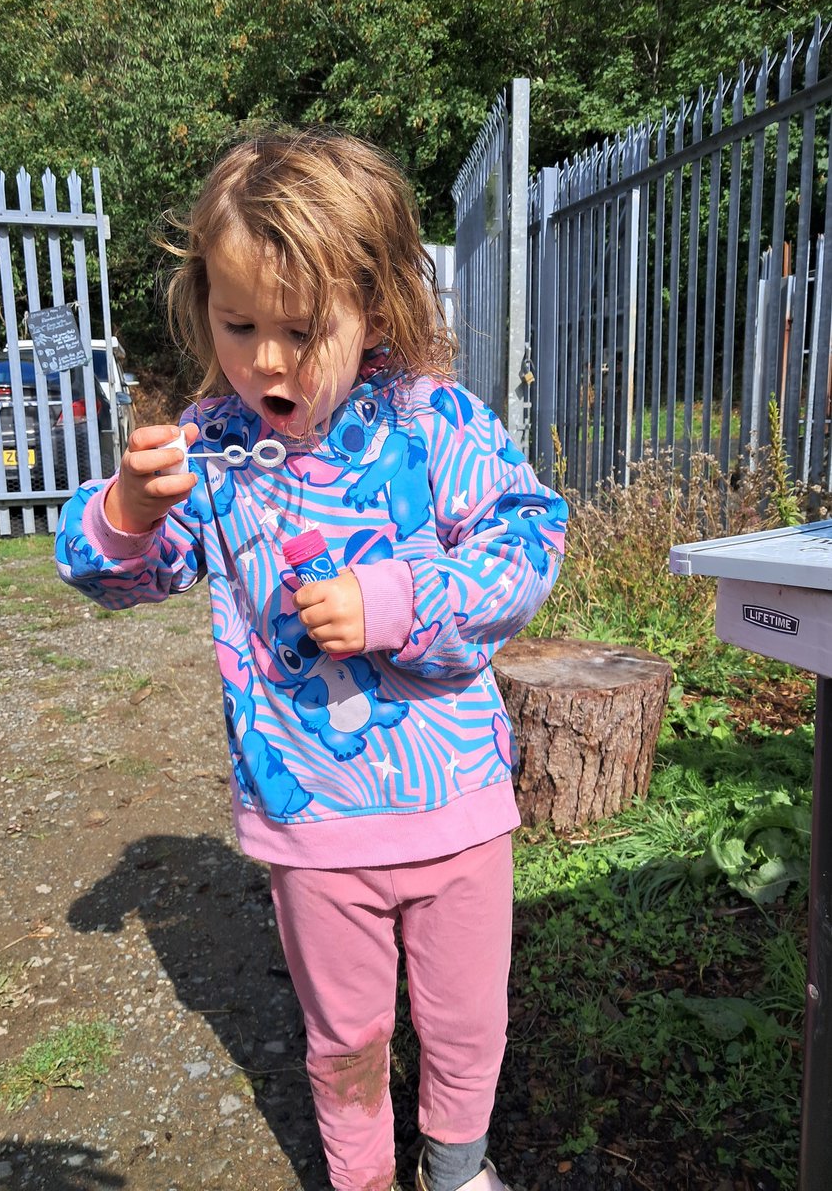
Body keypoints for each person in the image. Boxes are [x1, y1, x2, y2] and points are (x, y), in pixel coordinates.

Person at [55, 126, 567, 1191]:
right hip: (314, 821)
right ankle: (363, 1178)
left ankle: (460, 1166)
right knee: (345, 1040)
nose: (268, 360)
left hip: (457, 799)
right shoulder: (216, 450)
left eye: (301, 328)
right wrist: (128, 508)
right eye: (239, 325)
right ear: (204, 306)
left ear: (375, 306)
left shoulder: (434, 425)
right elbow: (117, 579)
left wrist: (393, 601)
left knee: (467, 1017)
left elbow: (530, 542)